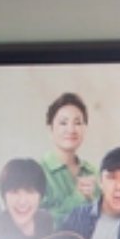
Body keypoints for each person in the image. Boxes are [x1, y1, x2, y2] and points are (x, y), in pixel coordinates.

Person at [40, 92, 98, 223]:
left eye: (78, 123)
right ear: (50, 129)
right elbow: (36, 224)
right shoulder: (38, 172)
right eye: (63, 123)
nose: (71, 129)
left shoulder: (93, 172)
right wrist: (78, 198)